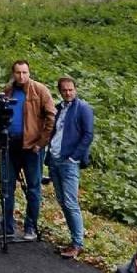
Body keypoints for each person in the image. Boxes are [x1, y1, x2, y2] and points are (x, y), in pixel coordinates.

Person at [0, 60, 57, 243]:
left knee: (33, 188)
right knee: (6, 186)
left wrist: (41, 142)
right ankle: (7, 227)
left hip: (32, 147)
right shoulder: (8, 90)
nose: (21, 76)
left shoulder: (40, 90)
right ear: (13, 73)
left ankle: (30, 226)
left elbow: (51, 117)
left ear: (29, 73)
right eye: (18, 72)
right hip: (10, 145)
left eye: (24, 72)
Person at [45, 77, 95, 259]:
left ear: (75, 89)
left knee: (71, 201)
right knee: (62, 200)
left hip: (69, 161)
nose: (68, 93)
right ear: (60, 91)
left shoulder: (83, 108)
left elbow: (88, 134)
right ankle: (73, 240)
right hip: (55, 159)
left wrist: (75, 157)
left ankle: (78, 243)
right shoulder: (59, 109)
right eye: (64, 90)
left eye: (71, 90)